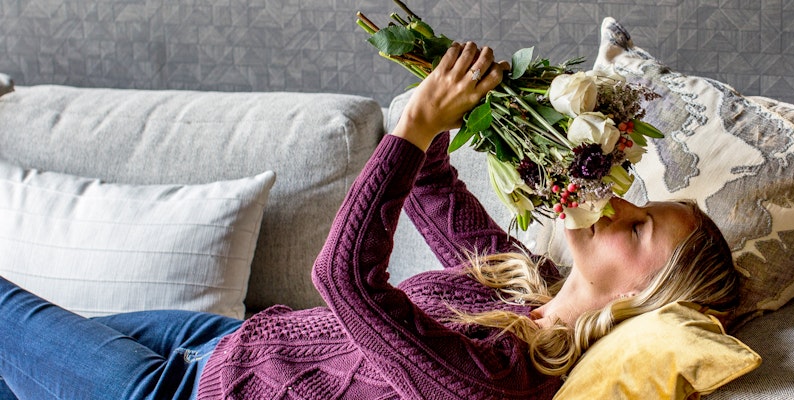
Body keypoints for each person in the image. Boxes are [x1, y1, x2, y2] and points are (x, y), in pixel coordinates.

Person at [0, 41, 741, 400]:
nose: (617, 205)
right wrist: (496, 111)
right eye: (638, 204)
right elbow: (430, 181)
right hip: (221, 344)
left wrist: (414, 127)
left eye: (640, 230)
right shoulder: (526, 280)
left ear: (643, 299)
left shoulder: (499, 381)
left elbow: (345, 281)